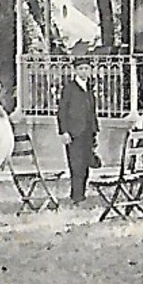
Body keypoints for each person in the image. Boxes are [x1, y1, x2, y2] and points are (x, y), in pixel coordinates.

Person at [58, 56, 99, 205]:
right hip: (73, 133)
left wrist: (95, 130)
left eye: (86, 68)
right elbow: (62, 111)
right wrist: (64, 131)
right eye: (80, 68)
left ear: (90, 70)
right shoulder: (69, 88)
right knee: (76, 165)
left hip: (88, 132)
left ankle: (82, 193)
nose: (83, 71)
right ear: (75, 70)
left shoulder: (89, 87)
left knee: (86, 164)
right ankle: (76, 197)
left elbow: (92, 110)